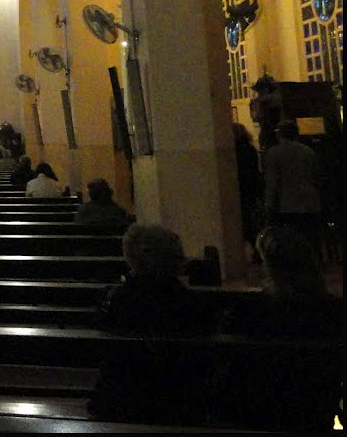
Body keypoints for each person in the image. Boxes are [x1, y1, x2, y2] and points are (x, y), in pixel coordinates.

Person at [86, 224, 217, 425]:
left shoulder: (115, 300)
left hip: (119, 400)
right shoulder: (191, 302)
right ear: (175, 259)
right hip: (179, 402)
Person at [217, 225, 342, 431]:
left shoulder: (248, 312)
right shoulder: (333, 310)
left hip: (258, 410)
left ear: (269, 267)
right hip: (317, 409)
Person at [263, 119, 323, 262]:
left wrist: (268, 204)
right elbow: (316, 175)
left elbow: (273, 183)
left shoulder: (273, 153)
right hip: (309, 202)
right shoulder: (308, 151)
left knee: (290, 241)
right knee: (310, 238)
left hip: (287, 203)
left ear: (280, 134)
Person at [232, 123, 263, 261]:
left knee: (245, 222)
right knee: (249, 221)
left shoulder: (234, 151)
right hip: (249, 189)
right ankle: (257, 249)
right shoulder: (249, 149)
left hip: (240, 189)